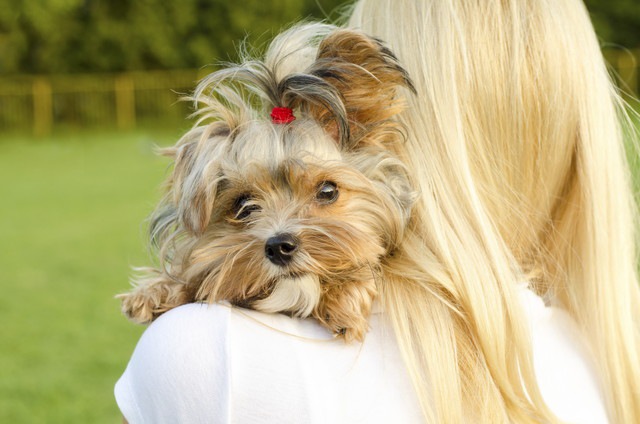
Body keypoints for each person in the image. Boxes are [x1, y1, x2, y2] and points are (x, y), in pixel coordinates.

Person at [115, 0, 640, 422]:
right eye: (246, 206)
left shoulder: (207, 352)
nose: (279, 233)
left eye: (324, 194)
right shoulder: (601, 357)